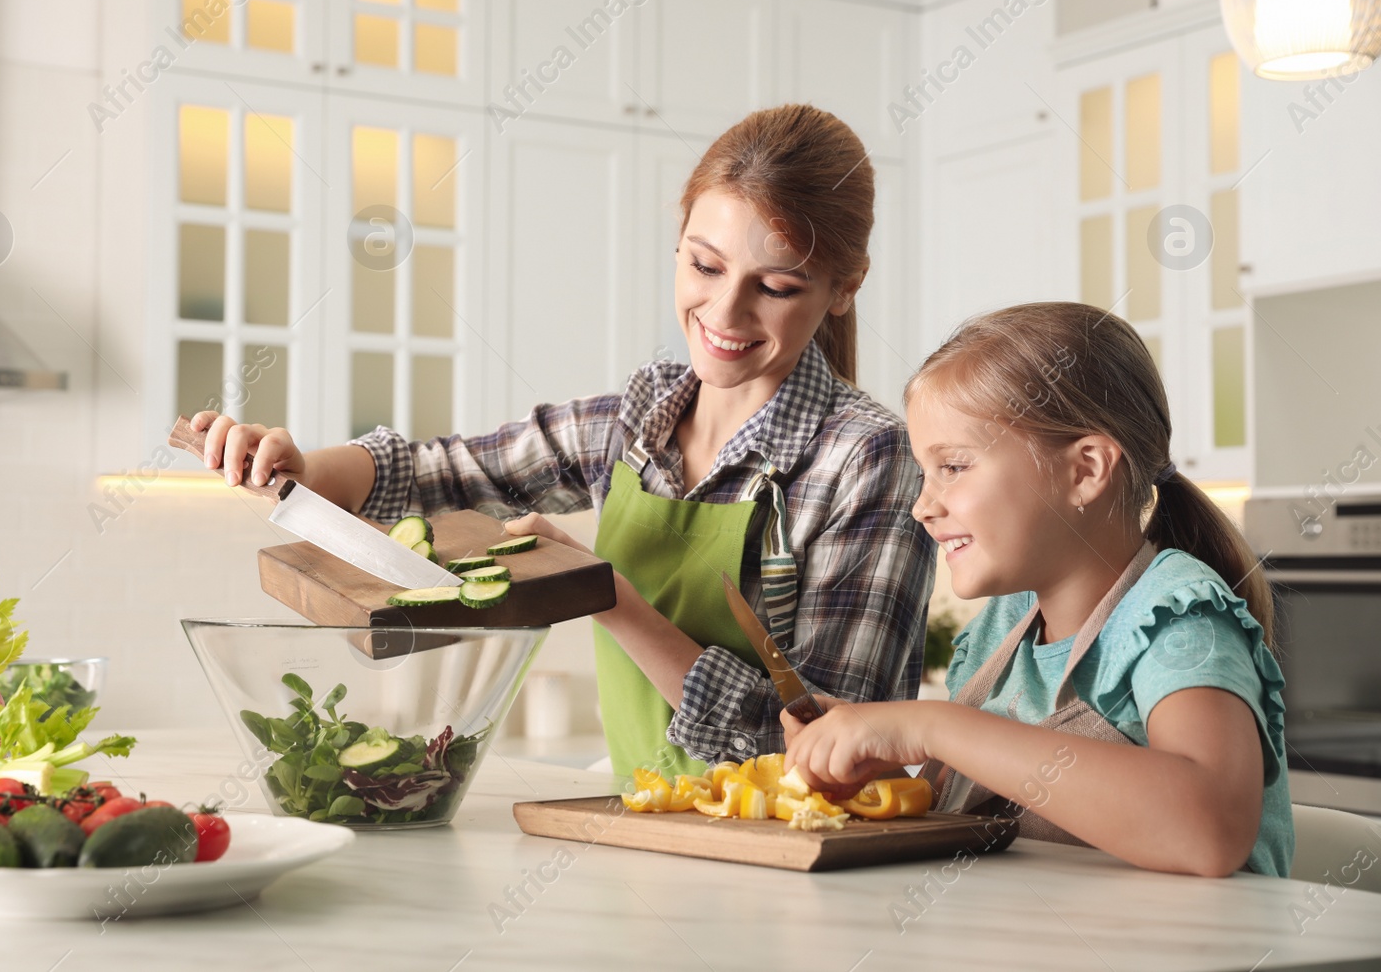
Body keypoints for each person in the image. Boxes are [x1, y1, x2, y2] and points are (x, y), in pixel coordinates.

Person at [193, 104, 936, 779]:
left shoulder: (867, 458)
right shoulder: (637, 421)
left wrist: (609, 597)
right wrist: (303, 466)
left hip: (806, 866)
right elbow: (445, 474)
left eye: (775, 287)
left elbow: (842, 750)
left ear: (844, 286)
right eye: (705, 265)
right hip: (654, 834)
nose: (726, 309)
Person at [781, 301, 1292, 877]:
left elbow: (1212, 828)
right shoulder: (1002, 633)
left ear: (1085, 471)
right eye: (925, 474)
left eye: (953, 467)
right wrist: (878, 766)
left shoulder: (1178, 619)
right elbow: (973, 816)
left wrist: (929, 725)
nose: (923, 506)